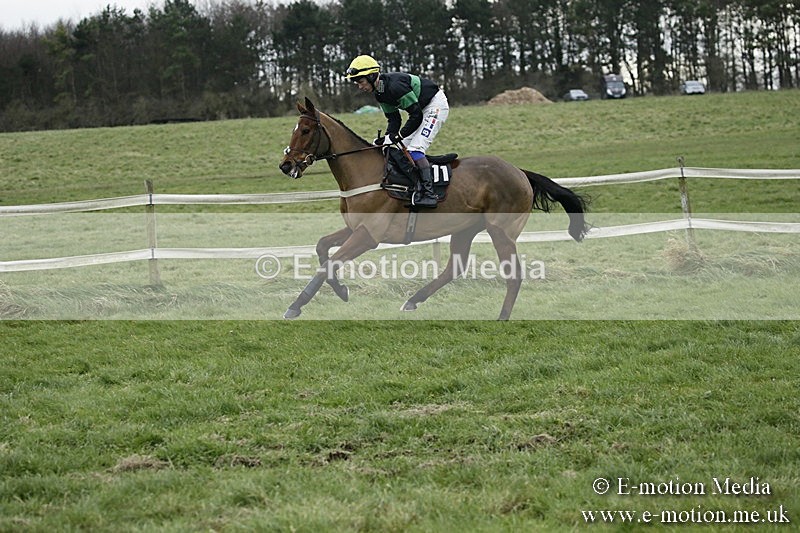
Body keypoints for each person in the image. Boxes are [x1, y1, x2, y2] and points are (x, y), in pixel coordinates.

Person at [345, 54, 449, 208]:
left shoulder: (395, 86)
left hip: (434, 106)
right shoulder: (379, 93)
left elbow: (416, 115)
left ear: (372, 76)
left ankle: (429, 194)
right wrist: (387, 139)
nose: (360, 86)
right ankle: (413, 187)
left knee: (415, 149)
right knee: (397, 149)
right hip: (420, 110)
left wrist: (399, 135)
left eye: (360, 81)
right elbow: (394, 119)